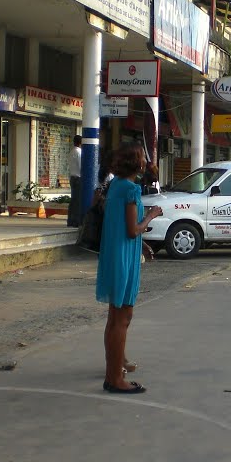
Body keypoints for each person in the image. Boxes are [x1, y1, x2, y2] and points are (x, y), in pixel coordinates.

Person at [95, 143, 163, 394]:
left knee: (115, 318)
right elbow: (133, 228)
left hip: (116, 252)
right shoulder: (131, 190)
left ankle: (114, 367)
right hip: (123, 257)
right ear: (138, 165)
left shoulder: (115, 187)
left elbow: (123, 226)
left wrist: (142, 245)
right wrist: (152, 215)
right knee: (122, 319)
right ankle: (114, 378)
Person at [67, 135, 82, 227]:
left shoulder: (71, 152)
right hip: (79, 178)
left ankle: (70, 220)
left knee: (73, 200)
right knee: (78, 201)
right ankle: (76, 221)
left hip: (72, 177)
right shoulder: (79, 152)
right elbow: (81, 166)